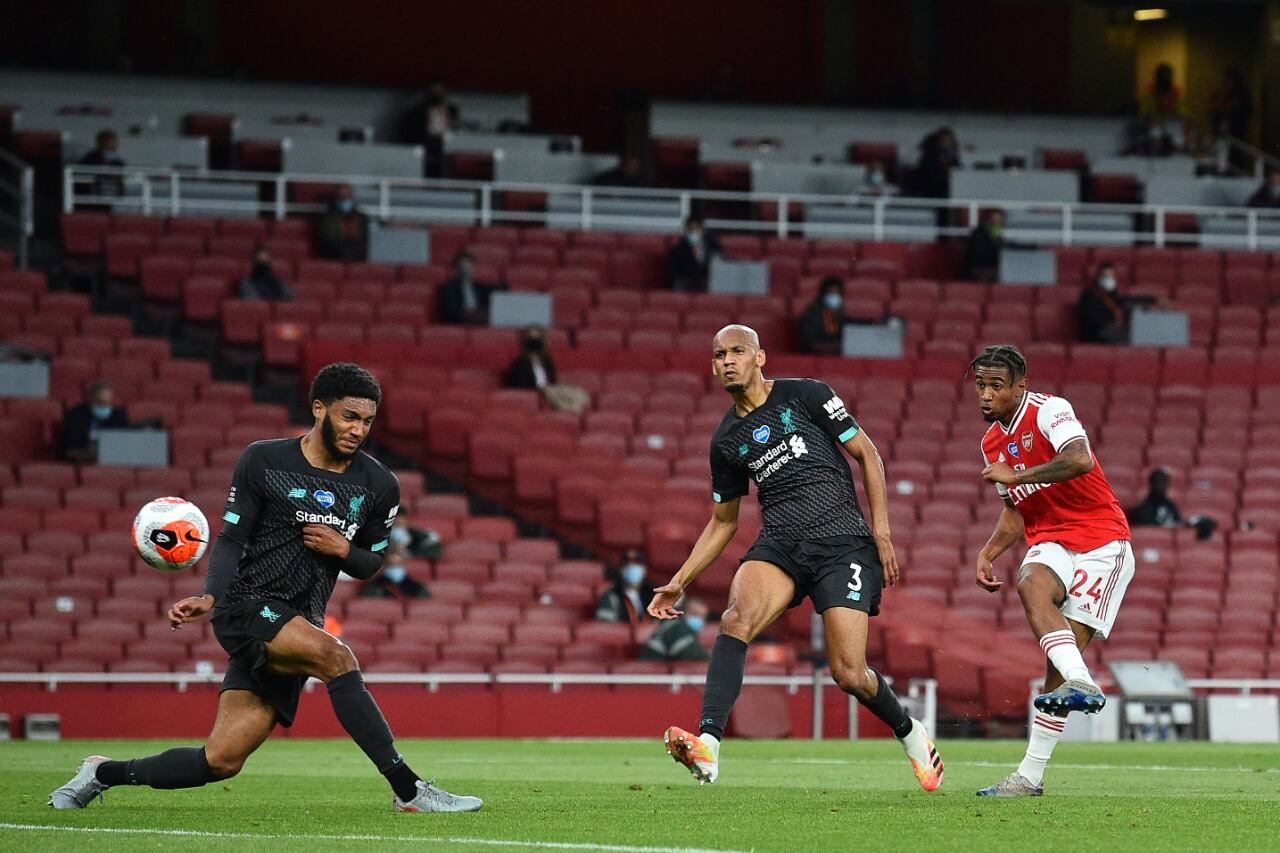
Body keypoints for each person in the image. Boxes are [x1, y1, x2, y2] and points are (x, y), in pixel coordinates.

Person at [49, 363, 481, 813]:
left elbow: (370, 562)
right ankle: (409, 791)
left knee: (220, 761)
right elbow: (232, 537)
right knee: (338, 658)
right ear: (320, 409)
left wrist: (341, 548)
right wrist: (211, 596)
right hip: (245, 606)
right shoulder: (265, 460)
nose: (358, 429)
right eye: (349, 416)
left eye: (367, 421)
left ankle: (100, 773)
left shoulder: (379, 485)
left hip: (297, 622)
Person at [653, 325, 942, 791]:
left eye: (737, 352)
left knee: (849, 674)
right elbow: (724, 521)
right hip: (781, 545)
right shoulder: (726, 440)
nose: (727, 360)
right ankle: (708, 744)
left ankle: (911, 733)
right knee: (735, 619)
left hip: (842, 541)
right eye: (718, 354)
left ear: (760, 357)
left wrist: (882, 533)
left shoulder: (806, 396)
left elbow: (867, 455)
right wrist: (680, 579)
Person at [969, 345, 1134, 797]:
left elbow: (1079, 459)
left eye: (996, 386)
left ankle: (1030, 776)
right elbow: (1017, 513)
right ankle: (1085, 682)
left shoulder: (1050, 410)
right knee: (1030, 584)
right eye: (981, 385)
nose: (986, 395)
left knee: (1056, 674)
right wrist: (989, 551)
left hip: (1102, 541)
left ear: (1021, 385)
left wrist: (1016, 476)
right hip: (1050, 539)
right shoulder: (990, 443)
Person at [1128, 469, 1217, 541]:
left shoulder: (1169, 505)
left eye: (1164, 482)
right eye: (1158, 481)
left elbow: (1177, 522)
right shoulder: (1145, 508)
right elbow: (1148, 532)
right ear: (1152, 483)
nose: (1162, 485)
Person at [62, 382, 130, 464]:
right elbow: (71, 450)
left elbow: (125, 443)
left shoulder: (118, 416)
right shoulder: (76, 415)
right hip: (83, 460)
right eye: (100, 402)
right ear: (90, 400)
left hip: (113, 460)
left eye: (108, 403)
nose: (105, 406)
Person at [436, 250, 499, 326]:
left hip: (481, 321)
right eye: (462, 267)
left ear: (473, 267)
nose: (465, 270)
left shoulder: (481, 287)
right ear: (456, 269)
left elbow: (499, 292)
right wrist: (468, 314)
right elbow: (450, 311)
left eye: (468, 265)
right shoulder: (448, 288)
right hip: (460, 323)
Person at [638, 597, 710, 662]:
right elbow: (688, 653)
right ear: (683, 612)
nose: (698, 619)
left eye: (702, 617)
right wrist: (712, 658)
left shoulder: (686, 629)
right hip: (649, 668)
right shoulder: (677, 627)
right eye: (694, 614)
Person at [595, 548, 656, 623]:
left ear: (644, 569)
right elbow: (606, 629)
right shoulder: (611, 597)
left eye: (636, 562)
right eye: (627, 562)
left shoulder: (652, 596)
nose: (631, 566)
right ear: (621, 569)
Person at [1137, 63, 1186, 156]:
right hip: (1154, 125)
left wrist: (1178, 116)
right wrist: (1150, 117)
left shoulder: (1175, 91)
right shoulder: (1150, 90)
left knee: (1178, 139)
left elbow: (1183, 111)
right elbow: (1143, 111)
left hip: (1172, 124)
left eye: (1168, 76)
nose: (1165, 79)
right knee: (1154, 133)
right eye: (1163, 76)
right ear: (1158, 77)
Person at [796, 277, 852, 355]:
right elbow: (808, 341)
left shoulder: (842, 314)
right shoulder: (812, 313)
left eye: (837, 293)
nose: (834, 296)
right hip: (816, 356)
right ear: (823, 294)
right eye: (831, 293)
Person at [1076, 263, 1127, 344]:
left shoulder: (1112, 293)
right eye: (1105, 276)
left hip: (1108, 329)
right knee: (1124, 338)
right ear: (1099, 276)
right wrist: (1108, 325)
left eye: (1111, 276)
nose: (1108, 278)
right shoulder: (1089, 294)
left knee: (1132, 335)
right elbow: (1089, 318)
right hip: (1093, 332)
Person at [666, 216, 720, 292]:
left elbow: (723, 262)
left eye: (697, 229)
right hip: (687, 287)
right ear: (686, 231)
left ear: (702, 230)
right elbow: (675, 275)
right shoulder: (677, 251)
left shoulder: (713, 246)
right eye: (691, 230)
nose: (694, 232)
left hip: (710, 287)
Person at [360, 543, 430, 599]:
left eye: (398, 554)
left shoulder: (416, 586)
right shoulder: (375, 585)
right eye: (392, 554)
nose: (395, 557)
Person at [317, 186, 369, 262]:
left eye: (348, 197)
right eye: (342, 197)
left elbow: (361, 238)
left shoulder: (361, 218)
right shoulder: (328, 217)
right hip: (333, 258)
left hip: (356, 258)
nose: (345, 200)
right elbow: (328, 239)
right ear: (336, 199)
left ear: (352, 198)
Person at [507, 325, 558, 390]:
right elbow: (521, 389)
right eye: (532, 341)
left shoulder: (547, 362)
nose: (535, 345)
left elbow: (554, 383)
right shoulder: (521, 364)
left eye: (539, 340)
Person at [915, 127, 959, 199]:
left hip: (950, 192)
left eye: (949, 139)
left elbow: (958, 172)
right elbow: (926, 175)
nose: (947, 142)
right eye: (944, 139)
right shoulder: (929, 156)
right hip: (930, 191)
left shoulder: (952, 155)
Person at [79, 129, 125, 197]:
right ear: (101, 142)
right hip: (94, 195)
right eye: (111, 141)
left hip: (113, 196)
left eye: (115, 141)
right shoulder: (91, 157)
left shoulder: (117, 161)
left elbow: (121, 173)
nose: (115, 144)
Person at [963, 209, 1006, 282]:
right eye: (995, 219)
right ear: (989, 219)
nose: (997, 222)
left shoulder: (994, 232)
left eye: (999, 220)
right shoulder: (980, 232)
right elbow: (980, 252)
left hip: (987, 267)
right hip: (980, 269)